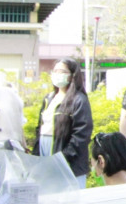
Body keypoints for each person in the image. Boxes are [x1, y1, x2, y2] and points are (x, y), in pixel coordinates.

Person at [32, 58, 93, 188]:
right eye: (55, 71)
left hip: (67, 159)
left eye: (62, 71)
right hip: (46, 151)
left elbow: (81, 135)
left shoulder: (79, 100)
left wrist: (63, 158)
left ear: (72, 76)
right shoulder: (49, 98)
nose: (57, 74)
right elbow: (39, 128)